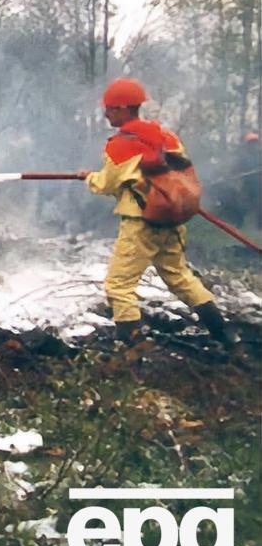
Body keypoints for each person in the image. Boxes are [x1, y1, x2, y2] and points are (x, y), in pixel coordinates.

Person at [83, 79, 237, 347]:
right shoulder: (167, 138)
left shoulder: (120, 145)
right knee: (180, 277)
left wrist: (89, 178)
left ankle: (132, 353)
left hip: (142, 223)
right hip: (172, 220)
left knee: (118, 287)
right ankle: (224, 335)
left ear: (121, 109)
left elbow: (107, 184)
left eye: (109, 109)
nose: (106, 114)